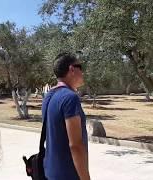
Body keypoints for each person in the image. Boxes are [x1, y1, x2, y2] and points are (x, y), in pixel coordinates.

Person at [42, 52, 90, 180]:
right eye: (81, 67)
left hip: (50, 172)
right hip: (68, 174)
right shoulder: (70, 98)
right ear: (72, 69)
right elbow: (75, 145)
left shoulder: (48, 96)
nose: (83, 72)